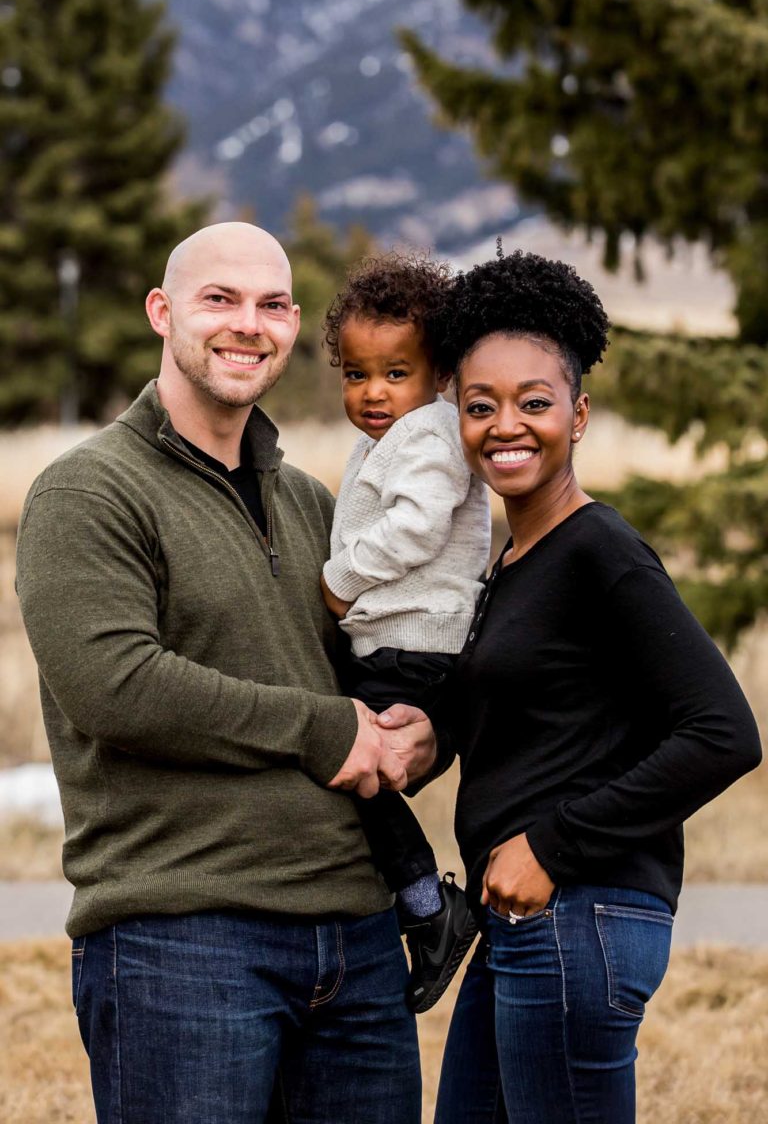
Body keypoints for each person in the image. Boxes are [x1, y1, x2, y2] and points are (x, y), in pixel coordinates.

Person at [15, 222, 436, 1124]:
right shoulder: (88, 491)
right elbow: (115, 685)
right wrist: (328, 730)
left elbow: (364, 674)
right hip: (185, 936)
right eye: (221, 299)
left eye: (274, 305)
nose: (251, 324)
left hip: (355, 940)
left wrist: (419, 729)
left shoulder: (310, 498)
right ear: (162, 313)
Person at [390, 248, 761, 1123]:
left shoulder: (602, 553)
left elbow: (724, 733)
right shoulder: (518, 558)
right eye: (480, 406)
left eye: (534, 402)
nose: (505, 425)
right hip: (522, 922)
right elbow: (537, 712)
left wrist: (554, 844)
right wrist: (427, 733)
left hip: (577, 914)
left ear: (579, 415)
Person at [320, 253, 491, 1012]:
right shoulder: (390, 439)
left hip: (417, 642)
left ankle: (427, 905)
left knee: (346, 760)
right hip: (395, 637)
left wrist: (339, 580)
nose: (374, 392)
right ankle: (412, 903)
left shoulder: (431, 434)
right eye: (358, 374)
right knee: (345, 758)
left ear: (441, 375)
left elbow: (416, 527)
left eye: (397, 372)